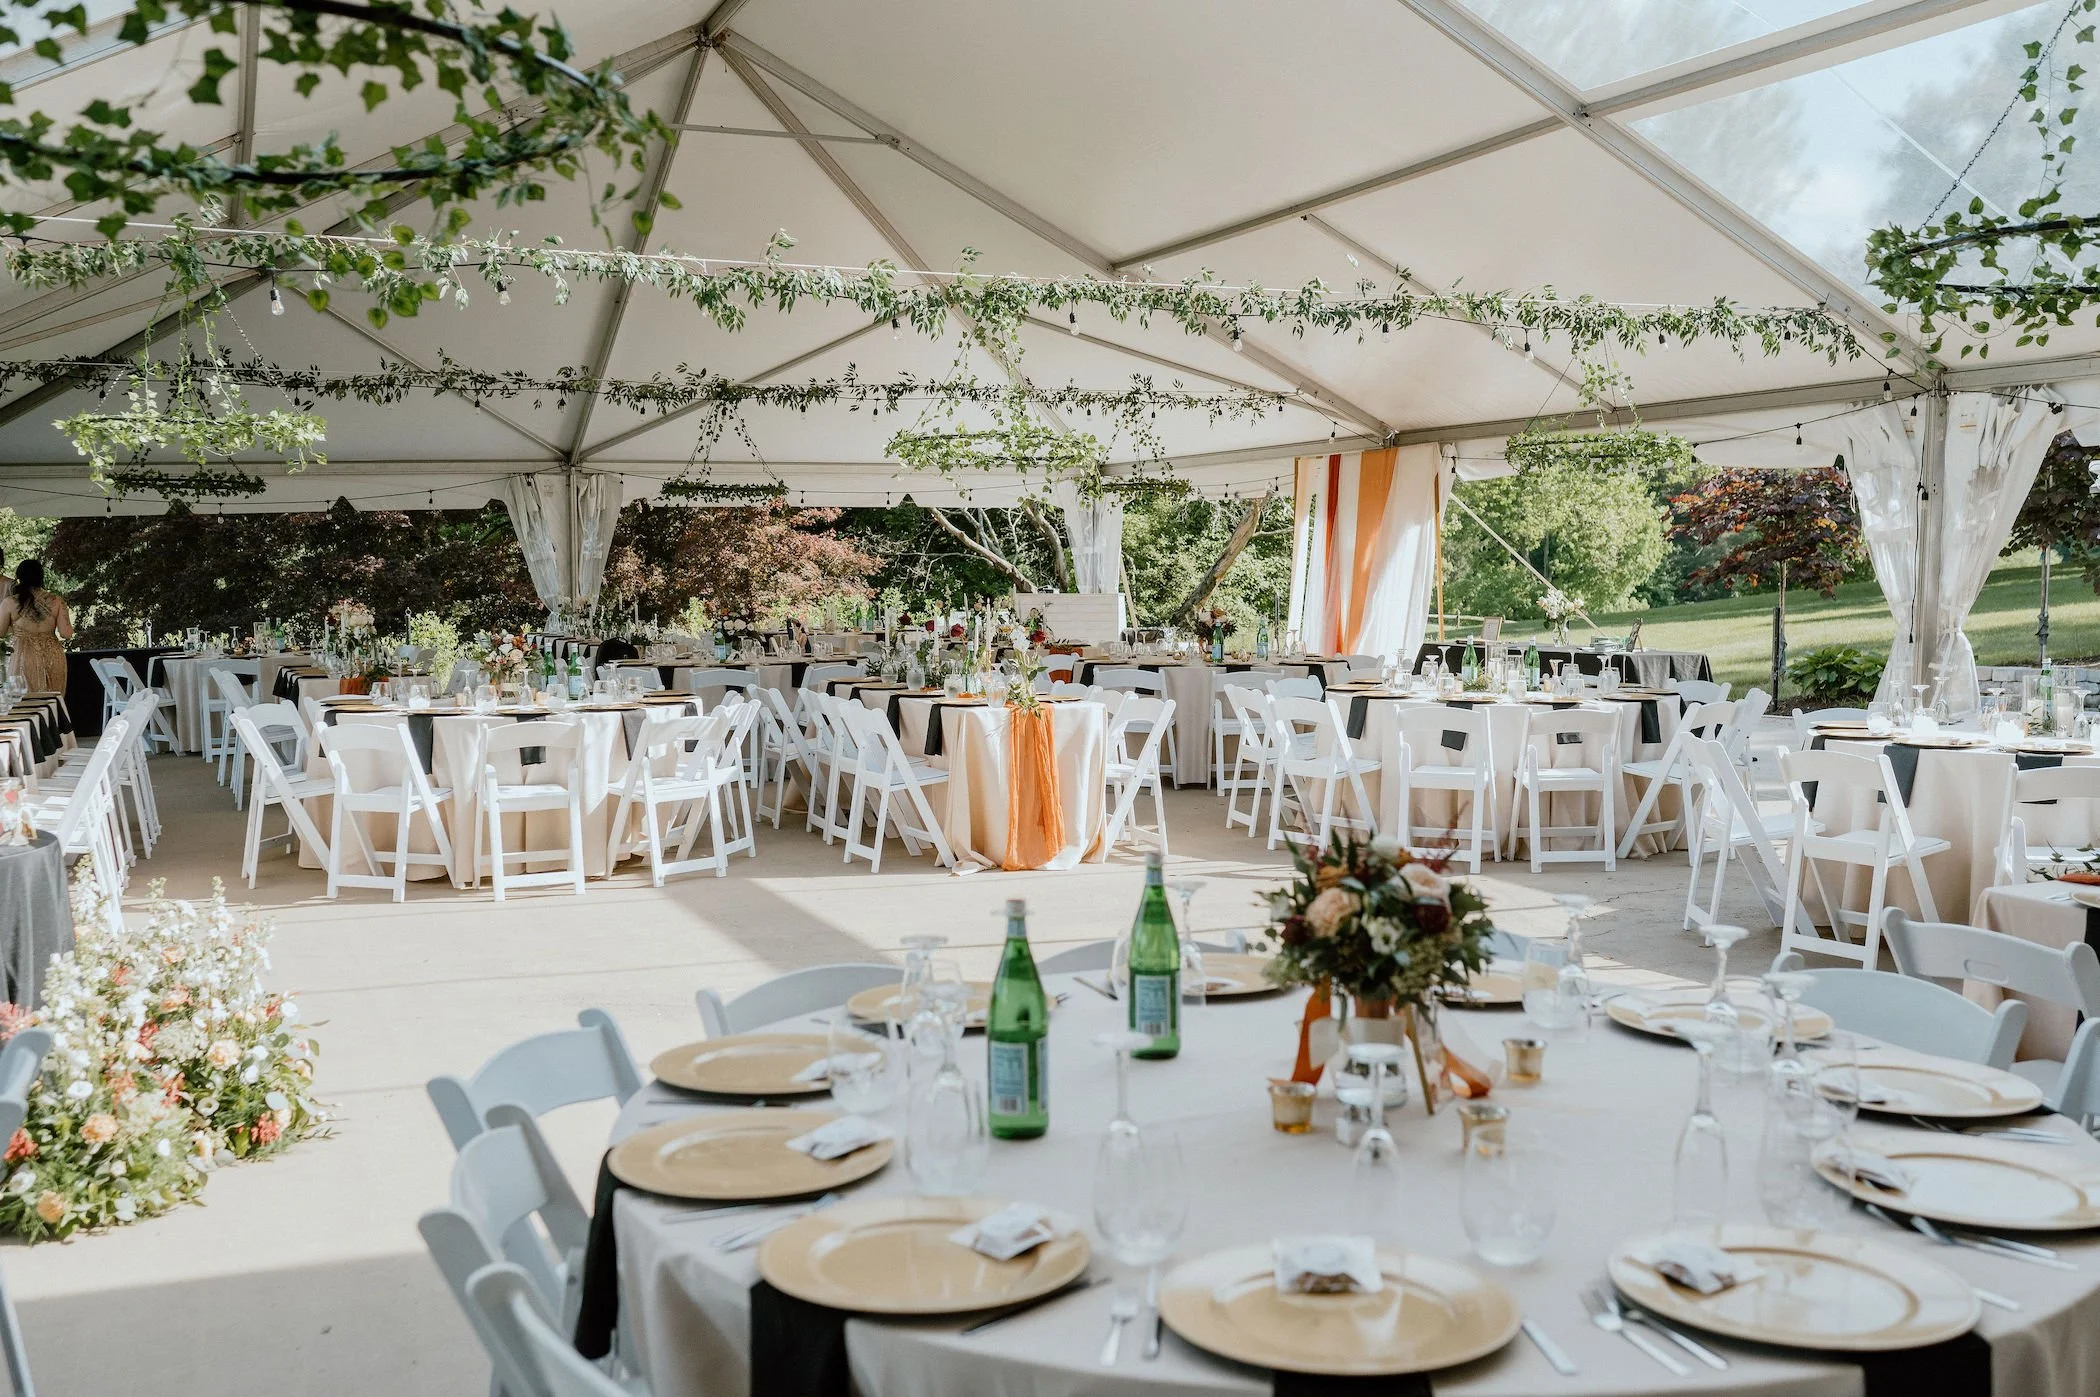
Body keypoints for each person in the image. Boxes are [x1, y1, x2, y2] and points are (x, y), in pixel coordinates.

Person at [0, 560, 71, 693]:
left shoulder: (9, 602)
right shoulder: (57, 601)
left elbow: (0, 632)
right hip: (52, 654)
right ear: (41, 577)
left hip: (22, 654)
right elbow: (66, 633)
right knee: (52, 700)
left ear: (19, 577)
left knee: (23, 701)